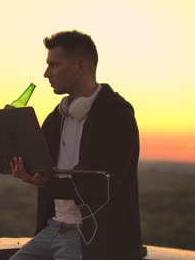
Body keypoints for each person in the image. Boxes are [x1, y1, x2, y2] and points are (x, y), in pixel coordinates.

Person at [9, 30, 143, 260]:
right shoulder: (57, 117)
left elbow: (103, 182)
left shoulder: (116, 114)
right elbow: (39, 163)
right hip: (52, 229)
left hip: (92, 238)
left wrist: (45, 182)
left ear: (80, 66)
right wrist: (13, 134)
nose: (46, 73)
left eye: (54, 65)